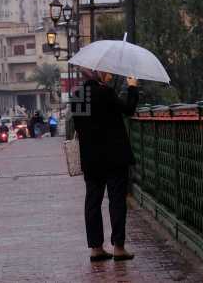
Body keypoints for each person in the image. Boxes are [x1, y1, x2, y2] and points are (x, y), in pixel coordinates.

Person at [72, 68, 139, 262]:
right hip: (114, 157)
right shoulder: (106, 92)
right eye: (106, 72)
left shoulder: (78, 96)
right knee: (116, 201)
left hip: (91, 159)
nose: (109, 74)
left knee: (92, 202)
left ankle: (96, 248)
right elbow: (128, 109)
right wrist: (132, 88)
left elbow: (78, 127)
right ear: (97, 74)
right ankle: (118, 247)